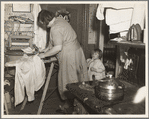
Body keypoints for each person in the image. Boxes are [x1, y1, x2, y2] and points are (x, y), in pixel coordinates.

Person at [37, 10, 89, 112]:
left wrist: (44, 55)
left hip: (70, 55)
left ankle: (75, 108)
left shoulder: (55, 28)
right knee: (77, 80)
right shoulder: (59, 20)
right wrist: (46, 49)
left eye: (42, 22)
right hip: (76, 51)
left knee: (69, 81)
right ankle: (72, 106)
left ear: (45, 20)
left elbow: (57, 48)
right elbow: (55, 40)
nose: (42, 25)